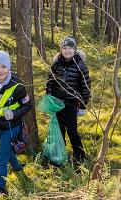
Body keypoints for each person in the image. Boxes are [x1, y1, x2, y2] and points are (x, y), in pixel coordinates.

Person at [0, 50, 32, 195]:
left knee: (0, 158)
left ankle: (0, 188)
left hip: (12, 128)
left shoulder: (18, 86)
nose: (0, 70)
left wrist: (14, 114)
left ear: (8, 68)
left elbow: (28, 105)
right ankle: (18, 169)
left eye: (3, 66)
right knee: (7, 151)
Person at [46, 36, 91, 164]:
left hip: (71, 103)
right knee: (59, 130)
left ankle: (80, 157)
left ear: (75, 49)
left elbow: (86, 87)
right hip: (57, 103)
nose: (67, 51)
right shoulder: (55, 65)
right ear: (61, 50)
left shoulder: (80, 65)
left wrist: (83, 106)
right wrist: (50, 101)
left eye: (70, 48)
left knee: (72, 130)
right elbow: (49, 83)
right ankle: (59, 156)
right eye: (64, 48)